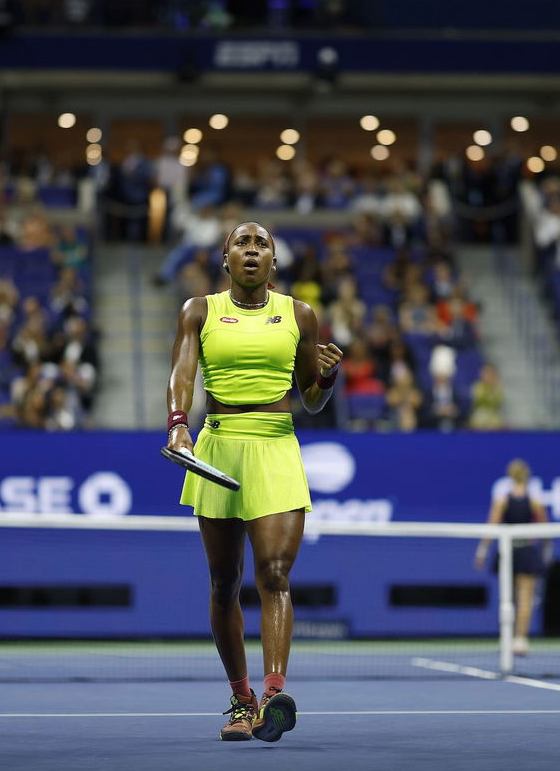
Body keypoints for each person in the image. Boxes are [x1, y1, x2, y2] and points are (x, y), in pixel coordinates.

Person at [166, 221, 343, 743]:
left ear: (273, 261)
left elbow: (311, 399)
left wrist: (327, 379)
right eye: (240, 243)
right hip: (218, 446)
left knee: (275, 573)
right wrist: (179, 426)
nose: (250, 250)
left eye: (260, 243)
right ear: (225, 259)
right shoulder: (198, 310)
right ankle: (240, 698)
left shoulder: (300, 314)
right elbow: (181, 371)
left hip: (276, 445)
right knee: (224, 583)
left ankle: (272, 695)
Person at [475, 459, 550, 656]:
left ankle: (512, 640)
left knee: (509, 598)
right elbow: (546, 532)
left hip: (511, 552)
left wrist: (481, 551)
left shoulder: (503, 500)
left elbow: (491, 527)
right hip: (523, 552)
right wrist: (547, 552)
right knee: (524, 598)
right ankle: (519, 640)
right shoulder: (534, 500)